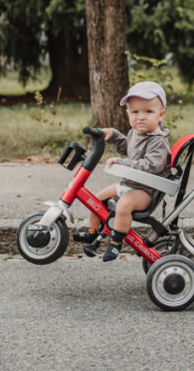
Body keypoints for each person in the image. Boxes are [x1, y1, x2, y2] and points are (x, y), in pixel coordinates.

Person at [71, 81, 171, 261]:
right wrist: (114, 134)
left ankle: (116, 242)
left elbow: (151, 166)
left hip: (145, 191)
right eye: (135, 112)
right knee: (95, 200)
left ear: (161, 115)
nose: (141, 117)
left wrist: (123, 164)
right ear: (128, 113)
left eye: (148, 112)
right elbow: (127, 147)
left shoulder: (158, 140)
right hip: (129, 183)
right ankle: (93, 232)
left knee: (124, 205)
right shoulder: (135, 132)